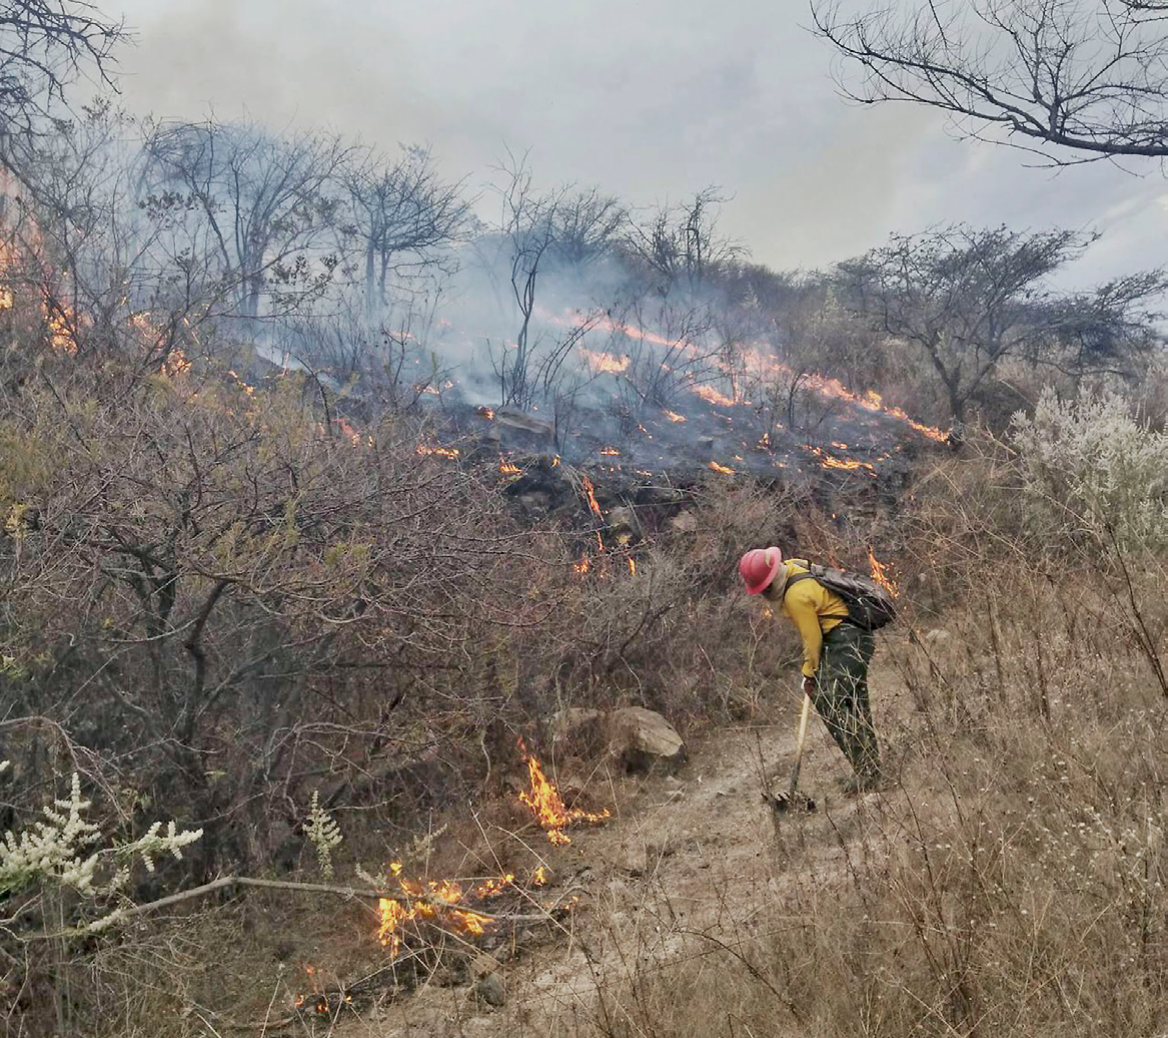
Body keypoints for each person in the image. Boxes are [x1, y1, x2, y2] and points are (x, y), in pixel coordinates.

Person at [739, 546, 882, 793]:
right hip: (852, 636)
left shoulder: (794, 596)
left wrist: (809, 673)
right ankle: (869, 769)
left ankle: (867, 772)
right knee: (853, 700)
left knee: (830, 701)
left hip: (846, 639)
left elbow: (812, 639)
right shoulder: (792, 567)